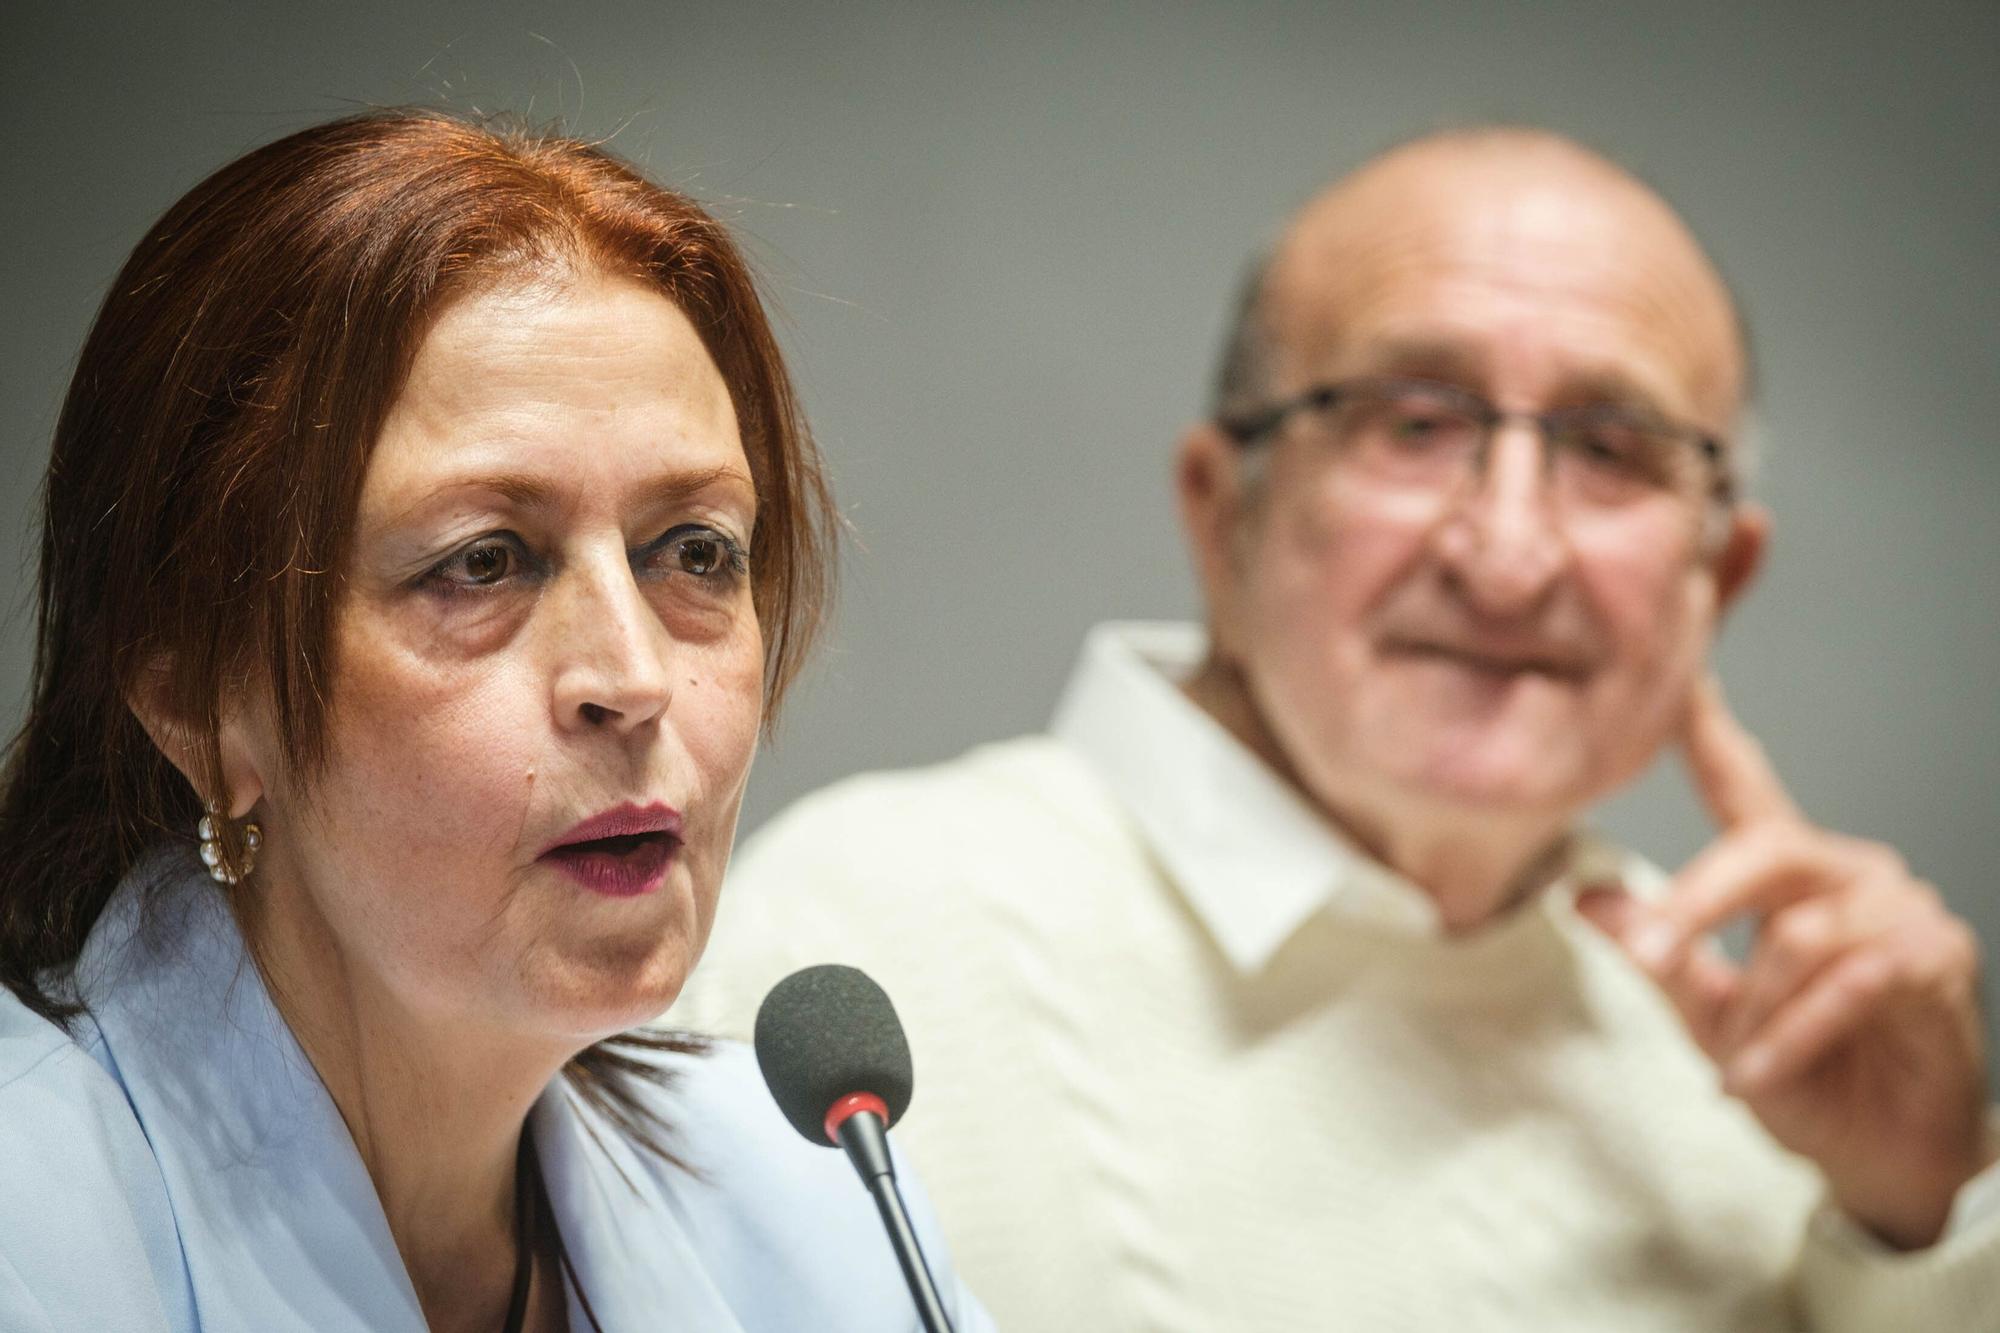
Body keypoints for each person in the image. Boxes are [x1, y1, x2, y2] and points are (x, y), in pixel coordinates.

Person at [669, 127, 2000, 1330]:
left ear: (1722, 577)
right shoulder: (831, 957)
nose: (1510, 553)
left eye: (1612, 448)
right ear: (1219, 511)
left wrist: (1923, 1220)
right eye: (1414, 423)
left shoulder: (1779, 1066)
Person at [0, 110, 992, 1333]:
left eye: (694, 551)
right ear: (197, 696)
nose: (632, 677)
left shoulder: (806, 1195)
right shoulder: (31, 1230)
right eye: (483, 563)